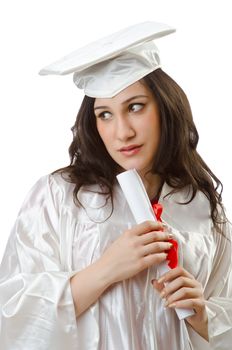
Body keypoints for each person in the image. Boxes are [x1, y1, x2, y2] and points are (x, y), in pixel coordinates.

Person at [0, 21, 231, 350]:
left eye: (135, 107)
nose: (122, 132)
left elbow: (225, 309)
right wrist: (106, 270)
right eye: (105, 114)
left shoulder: (202, 207)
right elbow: (13, 313)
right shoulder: (60, 197)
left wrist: (205, 316)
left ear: (165, 108)